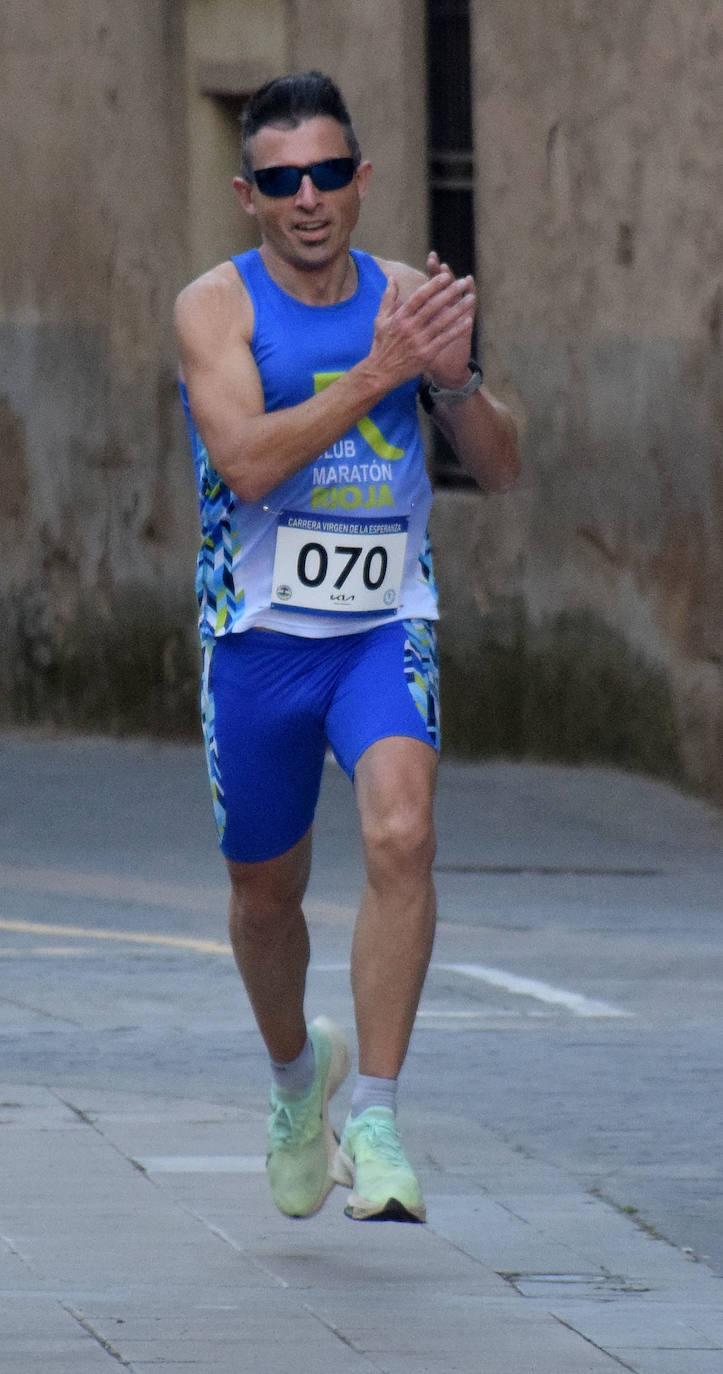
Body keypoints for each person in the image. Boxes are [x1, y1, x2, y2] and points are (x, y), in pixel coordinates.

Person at [174, 70, 519, 1224]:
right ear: (250, 195)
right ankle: (293, 1084)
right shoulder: (213, 308)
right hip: (259, 640)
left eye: (328, 173)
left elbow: (505, 464)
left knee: (403, 831)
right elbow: (247, 464)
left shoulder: (411, 297)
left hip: (383, 626)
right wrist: (379, 374)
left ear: (362, 181)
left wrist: (455, 377)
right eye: (282, 180)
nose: (309, 196)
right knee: (265, 896)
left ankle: (373, 1112)